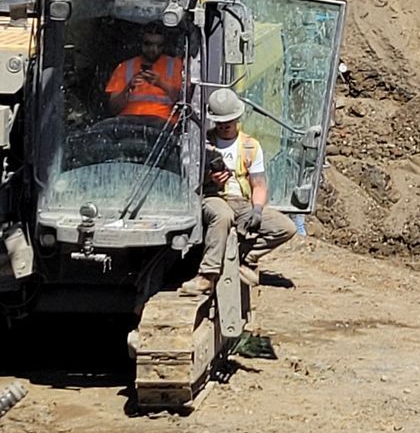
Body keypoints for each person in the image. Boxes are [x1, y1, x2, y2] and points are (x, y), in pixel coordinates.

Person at [201, 86, 297, 288]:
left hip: (242, 202)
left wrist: (257, 209)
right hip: (214, 198)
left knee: (285, 227)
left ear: (237, 118)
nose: (224, 125)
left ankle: (246, 257)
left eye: (228, 121)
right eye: (220, 122)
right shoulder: (203, 143)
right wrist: (210, 180)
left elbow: (259, 184)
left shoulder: (250, 146)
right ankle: (208, 274)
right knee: (223, 215)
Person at [105, 26, 183, 121]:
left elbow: (185, 102)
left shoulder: (176, 65)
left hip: (162, 123)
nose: (153, 49)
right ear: (140, 44)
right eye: (148, 44)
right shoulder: (124, 67)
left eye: (159, 45)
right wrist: (128, 87)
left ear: (164, 46)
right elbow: (113, 108)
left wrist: (161, 84)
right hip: (127, 121)